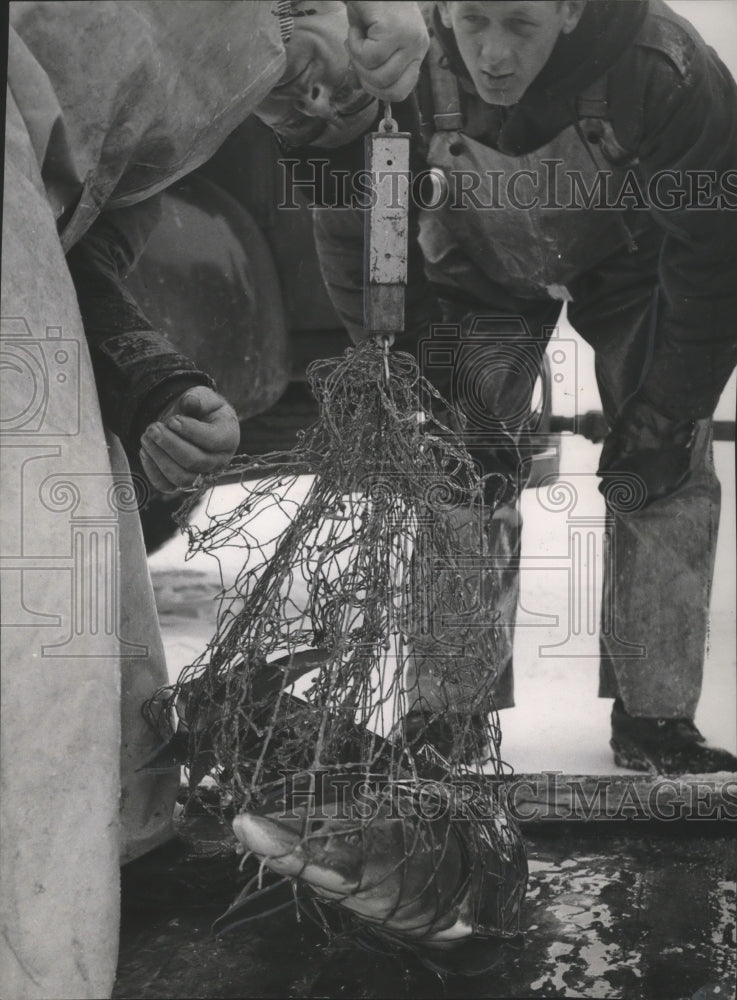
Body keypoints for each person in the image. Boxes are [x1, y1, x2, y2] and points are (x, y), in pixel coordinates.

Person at [0, 3, 428, 998]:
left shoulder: (184, 116)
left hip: (39, 169)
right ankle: (35, 950)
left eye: (326, 113)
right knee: (34, 566)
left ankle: (129, 841)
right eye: (320, 78)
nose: (314, 99)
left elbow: (81, 248)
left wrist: (152, 384)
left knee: (87, 510)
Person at [253, 0, 737, 774]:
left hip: (633, 257)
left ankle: (656, 721)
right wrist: (411, 365)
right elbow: (357, 227)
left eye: (519, 24)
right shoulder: (397, 64)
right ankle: (449, 714)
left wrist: (669, 402)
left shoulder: (666, 72)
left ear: (572, 10)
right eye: (473, 22)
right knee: (456, 463)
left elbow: (716, 258)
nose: (493, 55)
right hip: (477, 265)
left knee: (666, 461)